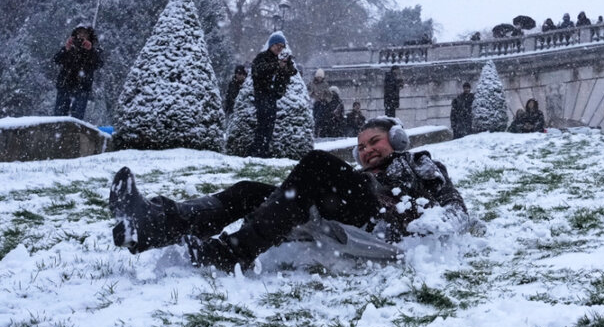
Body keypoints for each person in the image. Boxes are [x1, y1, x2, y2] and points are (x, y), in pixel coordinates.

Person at [109, 117, 469, 272]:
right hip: (345, 212)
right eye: (361, 146)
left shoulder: (417, 163)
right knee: (250, 190)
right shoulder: (359, 175)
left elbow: (454, 206)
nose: (366, 150)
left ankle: (233, 252)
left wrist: (430, 228)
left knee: (315, 162)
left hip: (381, 220)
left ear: (397, 140)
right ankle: (156, 225)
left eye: (374, 141)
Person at [251, 32, 298, 157]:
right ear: (271, 45)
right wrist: (277, 65)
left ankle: (264, 150)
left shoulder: (279, 59)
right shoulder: (262, 57)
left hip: (272, 95)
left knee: (270, 123)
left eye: (282, 46)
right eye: (277, 45)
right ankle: (258, 151)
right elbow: (259, 71)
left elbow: (292, 72)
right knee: (263, 123)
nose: (279, 48)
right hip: (262, 94)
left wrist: (287, 64)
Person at [52, 24, 104, 120]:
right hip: (65, 84)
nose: (82, 35)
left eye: (85, 33)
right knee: (58, 117)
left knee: (77, 117)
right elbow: (56, 60)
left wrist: (90, 51)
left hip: (83, 86)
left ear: (89, 35)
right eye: (79, 32)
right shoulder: (70, 46)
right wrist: (66, 49)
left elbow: (98, 64)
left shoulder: (95, 48)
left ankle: (73, 134)